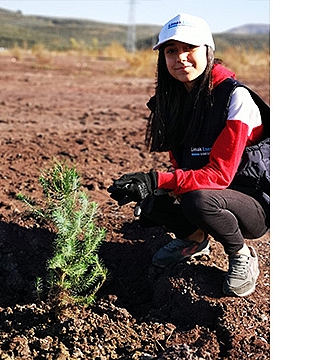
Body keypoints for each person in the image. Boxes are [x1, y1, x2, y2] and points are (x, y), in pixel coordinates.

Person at [107, 13, 270, 297]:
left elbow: (220, 175)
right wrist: (157, 190)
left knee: (197, 199)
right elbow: (180, 161)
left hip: (252, 203)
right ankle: (194, 240)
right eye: (171, 51)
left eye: (189, 48)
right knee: (152, 200)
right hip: (213, 190)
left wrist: (157, 180)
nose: (180, 58)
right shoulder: (173, 102)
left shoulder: (235, 98)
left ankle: (242, 255)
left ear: (207, 51)